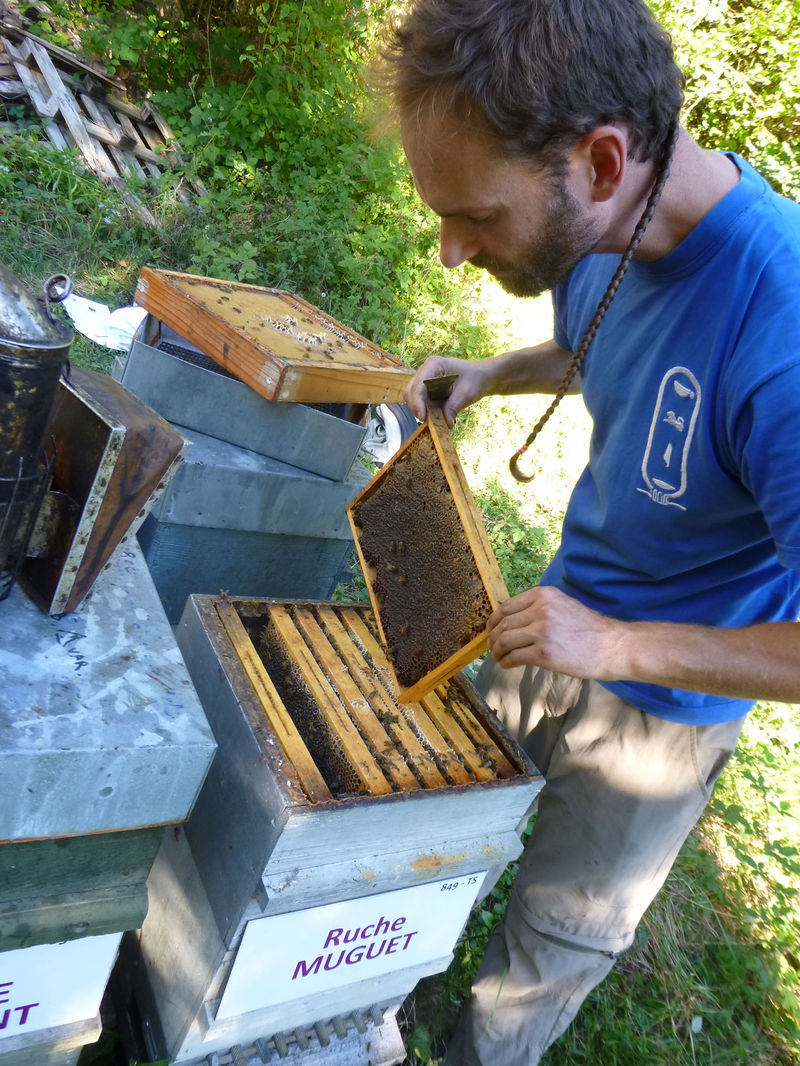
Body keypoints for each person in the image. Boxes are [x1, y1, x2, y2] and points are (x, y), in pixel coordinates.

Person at [374, 1, 800, 1063]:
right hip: (543, 625)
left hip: (656, 723)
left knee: (532, 972)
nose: (448, 252)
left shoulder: (782, 338)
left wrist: (611, 644)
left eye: (472, 216)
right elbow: (593, 343)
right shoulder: (601, 227)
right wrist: (489, 373)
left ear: (602, 162)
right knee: (426, 845)